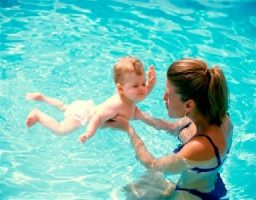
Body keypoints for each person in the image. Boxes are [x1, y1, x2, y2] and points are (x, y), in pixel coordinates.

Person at [108, 58, 233, 199]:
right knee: (137, 187)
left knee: (134, 192)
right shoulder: (212, 114)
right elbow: (174, 128)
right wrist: (140, 115)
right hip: (208, 183)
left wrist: (128, 129)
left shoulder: (199, 146)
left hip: (191, 196)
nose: (163, 97)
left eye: (169, 94)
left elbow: (153, 165)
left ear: (188, 105)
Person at [25, 56, 156, 143]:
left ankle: (42, 98)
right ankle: (38, 115)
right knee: (61, 129)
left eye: (143, 83)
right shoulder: (116, 105)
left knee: (64, 107)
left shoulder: (129, 96)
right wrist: (89, 132)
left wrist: (151, 85)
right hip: (83, 116)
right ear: (121, 89)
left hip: (83, 107)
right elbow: (98, 118)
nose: (142, 89)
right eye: (136, 85)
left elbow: (141, 94)